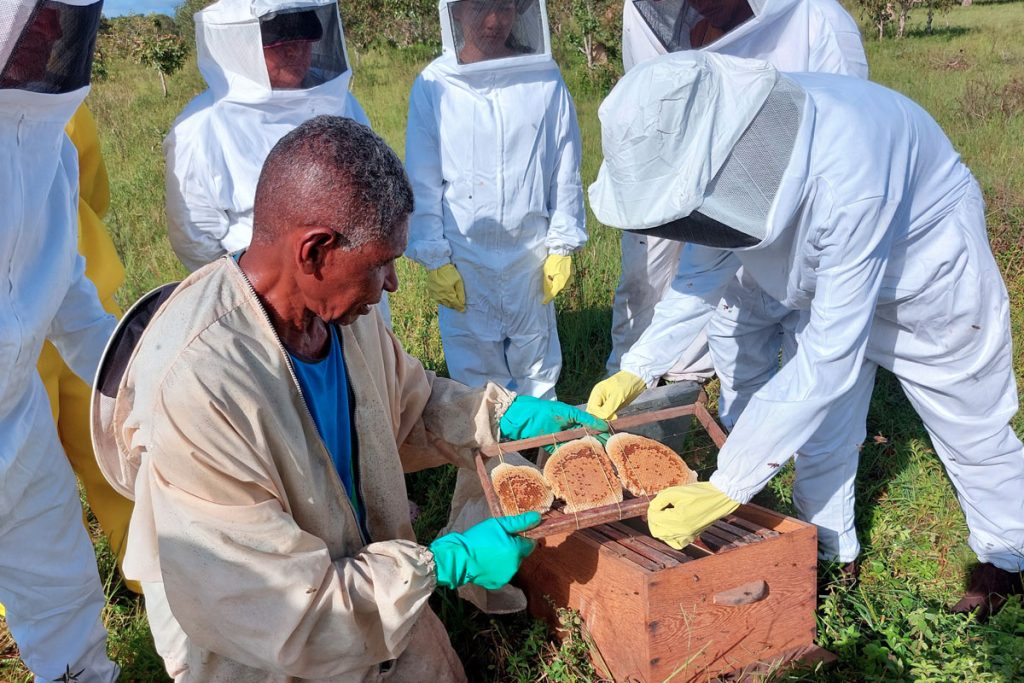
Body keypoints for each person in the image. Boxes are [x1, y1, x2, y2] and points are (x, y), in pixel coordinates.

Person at [91, 116, 606, 681]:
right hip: (260, 643)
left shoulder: (340, 312)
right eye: (381, 262)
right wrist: (441, 565)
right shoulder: (202, 387)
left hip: (366, 584)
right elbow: (281, 608)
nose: (392, 284)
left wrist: (503, 418)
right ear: (315, 251)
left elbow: (408, 405)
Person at [587, 51, 1024, 620]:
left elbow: (826, 357)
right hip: (832, 273)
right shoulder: (727, 149)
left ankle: (1007, 557)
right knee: (825, 428)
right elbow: (701, 272)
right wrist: (639, 366)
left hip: (924, 269)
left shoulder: (848, 174)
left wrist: (730, 482)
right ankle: (828, 552)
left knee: (971, 426)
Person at [607, 0, 868, 383]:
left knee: (815, 370)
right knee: (735, 341)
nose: (698, 10)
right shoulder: (702, 33)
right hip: (747, 210)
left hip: (822, 233)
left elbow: (852, 155)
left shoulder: (820, 23)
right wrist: (637, 369)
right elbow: (702, 272)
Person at [0, 0, 120, 679]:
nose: (50, 28)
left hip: (19, 418)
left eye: (61, 15)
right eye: (35, 12)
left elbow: (69, 286)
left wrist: (135, 367)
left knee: (65, 600)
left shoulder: (49, 140)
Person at [163, 0, 390, 321]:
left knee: (371, 369)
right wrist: (250, 299)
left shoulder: (340, 101)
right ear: (243, 46)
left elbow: (375, 185)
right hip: (272, 306)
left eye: (304, 40)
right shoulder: (201, 125)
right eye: (280, 44)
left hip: (356, 287)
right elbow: (195, 237)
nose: (296, 51)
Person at [404, 0, 585, 401]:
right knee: (474, 376)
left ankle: (542, 447)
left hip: (530, 252)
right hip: (465, 255)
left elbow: (565, 163)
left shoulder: (543, 77)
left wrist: (561, 242)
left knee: (536, 364)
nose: (493, 22)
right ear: (454, 12)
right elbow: (423, 178)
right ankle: (484, 459)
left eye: (504, 8)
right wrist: (436, 258)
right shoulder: (435, 84)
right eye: (479, 8)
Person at [37, 103, 139, 594]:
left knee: (25, 479)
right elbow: (91, 190)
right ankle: (151, 575)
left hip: (75, 313)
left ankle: (36, 603)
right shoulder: (56, 96)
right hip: (83, 299)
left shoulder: (58, 95)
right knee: (116, 453)